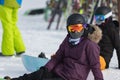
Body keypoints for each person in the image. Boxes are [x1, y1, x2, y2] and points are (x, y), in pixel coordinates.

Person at [4, 13, 103, 80]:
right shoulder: (67, 39)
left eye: (78, 28)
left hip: (72, 77)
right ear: (68, 29)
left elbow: (95, 66)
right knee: (38, 74)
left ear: (84, 28)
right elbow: (57, 57)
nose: (75, 31)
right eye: (72, 28)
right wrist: (46, 69)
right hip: (59, 71)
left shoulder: (90, 45)